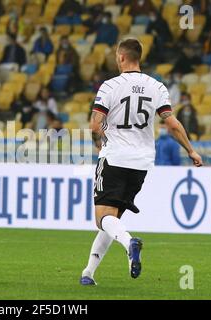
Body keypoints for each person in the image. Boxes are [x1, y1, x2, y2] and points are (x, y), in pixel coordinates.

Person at [80, 39, 203, 285]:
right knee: (112, 219)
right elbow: (171, 123)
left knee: (102, 217)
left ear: (122, 57)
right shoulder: (156, 87)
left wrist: (98, 143)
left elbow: (95, 123)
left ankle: (130, 244)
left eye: (117, 56)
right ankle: (88, 273)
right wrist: (191, 150)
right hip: (142, 162)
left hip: (114, 157)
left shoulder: (110, 86)